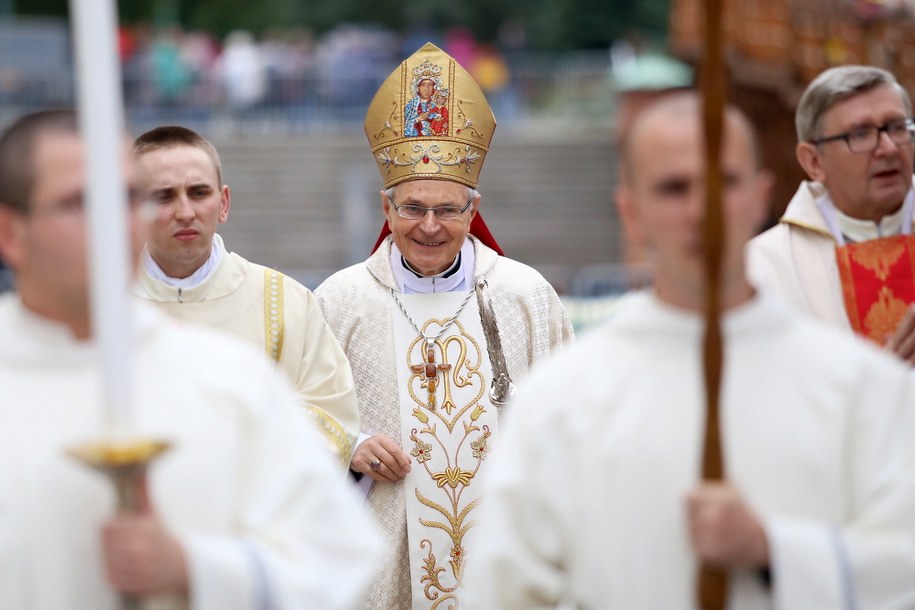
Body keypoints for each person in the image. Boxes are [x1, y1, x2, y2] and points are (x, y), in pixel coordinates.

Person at [464, 93, 915, 608]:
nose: (702, 212)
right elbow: (507, 591)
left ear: (762, 196)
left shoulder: (863, 387)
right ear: (630, 214)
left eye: (724, 182)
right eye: (674, 189)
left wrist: (777, 552)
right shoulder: (560, 402)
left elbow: (904, 567)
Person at [0, 109, 382, 608]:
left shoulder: (231, 376)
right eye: (79, 204)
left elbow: (336, 556)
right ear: (11, 232)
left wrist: (194, 569)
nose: (113, 224)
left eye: (123, 200)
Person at [315, 42, 573, 610]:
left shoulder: (525, 297)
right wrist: (350, 446)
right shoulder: (340, 301)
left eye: (448, 210)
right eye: (412, 208)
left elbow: (570, 423)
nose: (429, 226)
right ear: (387, 209)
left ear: (472, 208)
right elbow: (295, 417)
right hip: (384, 557)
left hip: (503, 553)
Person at [131, 125, 359, 466]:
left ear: (223, 203)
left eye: (198, 192)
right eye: (164, 196)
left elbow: (331, 421)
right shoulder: (95, 308)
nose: (185, 212)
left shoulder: (286, 303)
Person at [747, 65, 915, 363]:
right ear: (814, 162)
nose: (888, 148)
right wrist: (877, 386)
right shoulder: (764, 267)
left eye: (897, 128)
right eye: (861, 134)